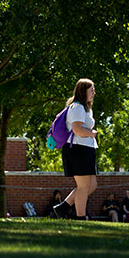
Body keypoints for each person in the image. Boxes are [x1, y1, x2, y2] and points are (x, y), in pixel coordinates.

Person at [53, 78, 98, 220]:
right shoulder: (77, 107)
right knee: (84, 187)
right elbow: (77, 129)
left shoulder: (85, 108)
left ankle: (64, 207)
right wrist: (92, 133)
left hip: (85, 149)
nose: (94, 93)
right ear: (82, 91)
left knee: (92, 185)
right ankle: (80, 217)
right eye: (91, 90)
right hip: (77, 150)